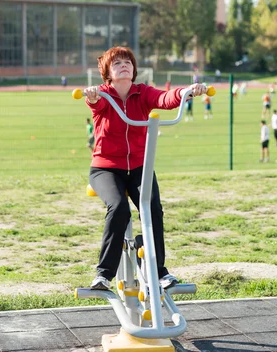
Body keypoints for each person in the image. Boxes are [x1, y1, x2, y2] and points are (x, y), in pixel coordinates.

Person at [82, 46, 207, 291]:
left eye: (127, 61)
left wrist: (187, 92)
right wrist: (92, 96)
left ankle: (159, 271)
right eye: (117, 63)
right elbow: (94, 104)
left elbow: (165, 98)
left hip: (140, 166)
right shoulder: (104, 96)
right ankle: (103, 275)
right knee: (118, 208)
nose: (123, 65)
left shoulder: (143, 93)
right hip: (106, 168)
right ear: (108, 71)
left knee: (152, 209)